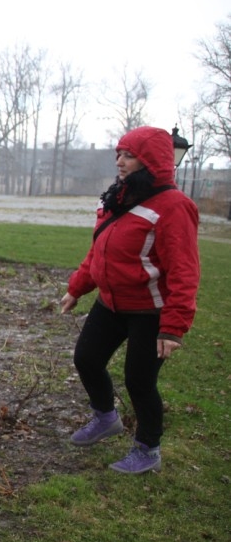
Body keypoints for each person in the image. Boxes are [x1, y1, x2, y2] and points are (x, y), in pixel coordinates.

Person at [60, 126, 200, 475]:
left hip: (150, 312)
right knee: (87, 359)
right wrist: (77, 288)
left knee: (139, 381)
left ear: (150, 160)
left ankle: (147, 449)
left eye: (129, 155)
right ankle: (106, 419)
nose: (120, 161)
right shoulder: (116, 198)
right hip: (111, 304)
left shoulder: (174, 207)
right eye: (118, 154)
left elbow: (184, 271)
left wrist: (172, 328)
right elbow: (99, 252)